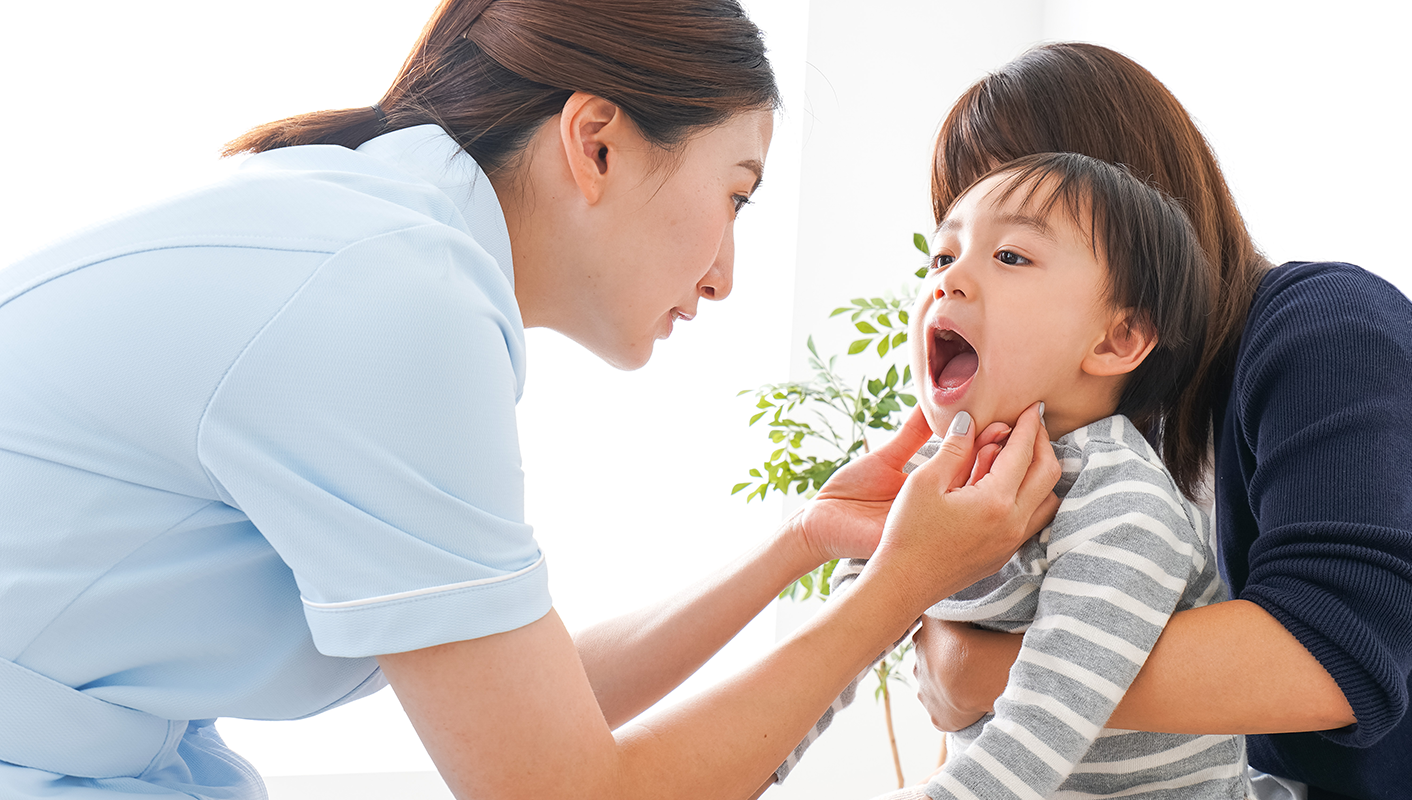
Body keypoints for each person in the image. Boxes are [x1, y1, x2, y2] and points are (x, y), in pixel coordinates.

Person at [0, 3, 1065, 799]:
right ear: (594, 141)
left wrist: (804, 540)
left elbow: (541, 705)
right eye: (732, 194)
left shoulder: (383, 242)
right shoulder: (391, 300)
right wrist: (898, 589)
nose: (726, 271)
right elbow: (565, 789)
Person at [910, 42, 1412, 800]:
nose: (962, 278)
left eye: (1013, 246)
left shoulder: (1332, 330)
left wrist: (979, 671)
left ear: (1142, 205)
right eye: (950, 246)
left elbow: (1328, 657)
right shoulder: (1101, 431)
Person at [776, 152, 1250, 800]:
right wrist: (737, 770)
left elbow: (1038, 734)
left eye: (1011, 258)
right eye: (942, 257)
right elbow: (824, 661)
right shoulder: (928, 483)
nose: (950, 280)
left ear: (1116, 340)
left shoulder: (1126, 503)